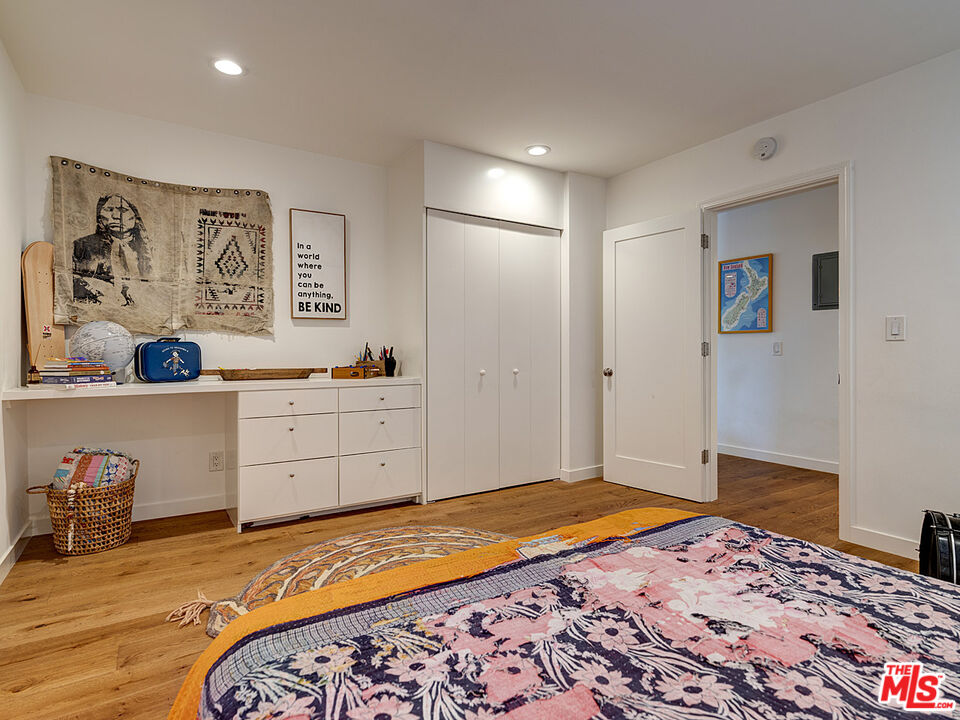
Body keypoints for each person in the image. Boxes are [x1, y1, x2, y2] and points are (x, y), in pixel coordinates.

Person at [73, 194, 152, 306]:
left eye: (123, 210)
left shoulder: (148, 250)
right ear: (100, 215)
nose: (115, 216)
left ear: (136, 216)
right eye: (109, 210)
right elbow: (75, 280)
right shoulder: (83, 245)